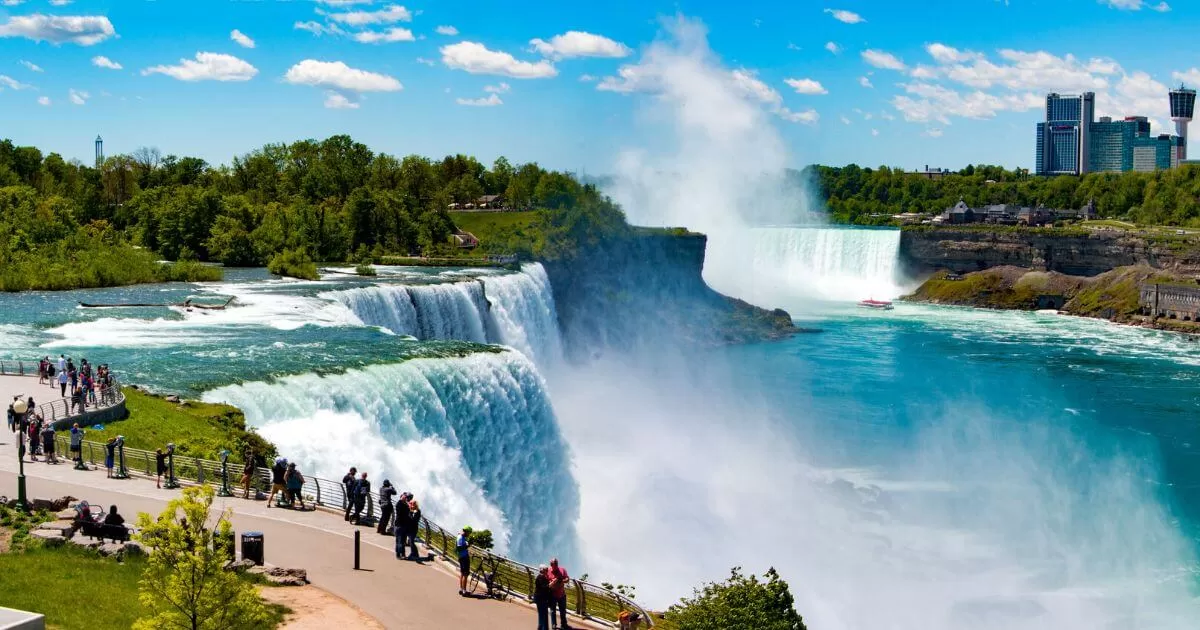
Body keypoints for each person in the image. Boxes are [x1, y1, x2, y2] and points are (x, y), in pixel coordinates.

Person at [549, 558, 571, 630]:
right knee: (553, 610)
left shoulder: (562, 570)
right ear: (551, 564)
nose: (555, 565)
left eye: (556, 563)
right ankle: (554, 625)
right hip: (552, 595)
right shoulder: (548, 571)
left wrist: (563, 581)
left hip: (562, 594)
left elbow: (567, 579)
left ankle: (564, 624)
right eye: (554, 564)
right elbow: (546, 583)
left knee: (563, 610)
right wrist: (552, 582)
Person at [534, 565, 553, 630]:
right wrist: (550, 584)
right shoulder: (541, 577)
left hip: (540, 598)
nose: (547, 571)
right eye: (546, 570)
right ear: (543, 570)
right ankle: (540, 627)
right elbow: (544, 587)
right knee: (542, 614)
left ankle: (544, 628)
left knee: (542, 613)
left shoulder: (541, 576)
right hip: (541, 598)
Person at [457, 527, 472, 596]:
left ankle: (461, 589)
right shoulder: (460, 538)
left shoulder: (460, 536)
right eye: (469, 533)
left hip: (462, 557)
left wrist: (466, 544)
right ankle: (464, 591)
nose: (469, 534)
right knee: (465, 574)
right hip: (464, 558)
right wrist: (467, 546)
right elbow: (460, 548)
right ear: (466, 532)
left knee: (462, 573)